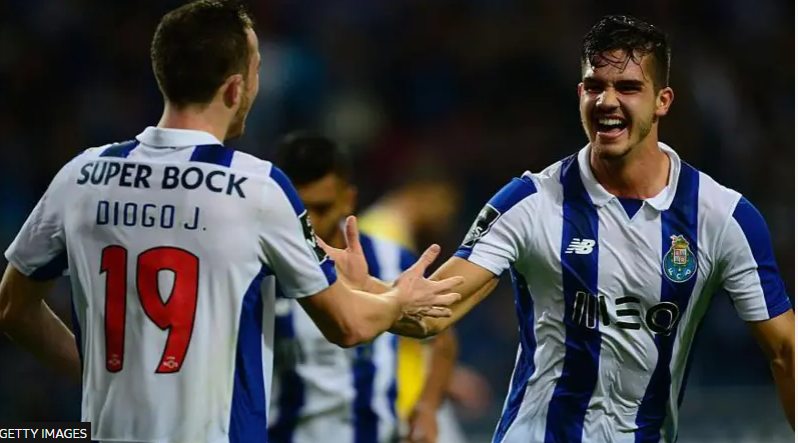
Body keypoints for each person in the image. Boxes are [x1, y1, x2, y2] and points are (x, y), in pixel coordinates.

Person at [0, 2, 463, 442]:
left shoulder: (82, 175)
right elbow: (348, 326)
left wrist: (94, 376)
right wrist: (401, 299)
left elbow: (12, 309)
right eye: (258, 68)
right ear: (235, 88)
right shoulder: (255, 188)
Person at [322, 14, 795, 443]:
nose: (607, 101)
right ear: (580, 93)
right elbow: (434, 311)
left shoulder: (723, 216)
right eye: (595, 85)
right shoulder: (529, 202)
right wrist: (372, 295)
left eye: (627, 87)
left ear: (663, 101)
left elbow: (785, 348)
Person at [267, 131, 457, 443]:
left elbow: (441, 337)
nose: (310, 223)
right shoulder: (264, 270)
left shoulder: (391, 259)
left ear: (348, 200)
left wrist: (427, 407)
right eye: (300, 210)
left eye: (322, 208)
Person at [359, 166, 492, 443]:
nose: (448, 214)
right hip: (402, 392)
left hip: (405, 386)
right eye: (445, 201)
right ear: (424, 192)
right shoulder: (382, 237)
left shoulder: (388, 231)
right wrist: (448, 376)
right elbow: (394, 314)